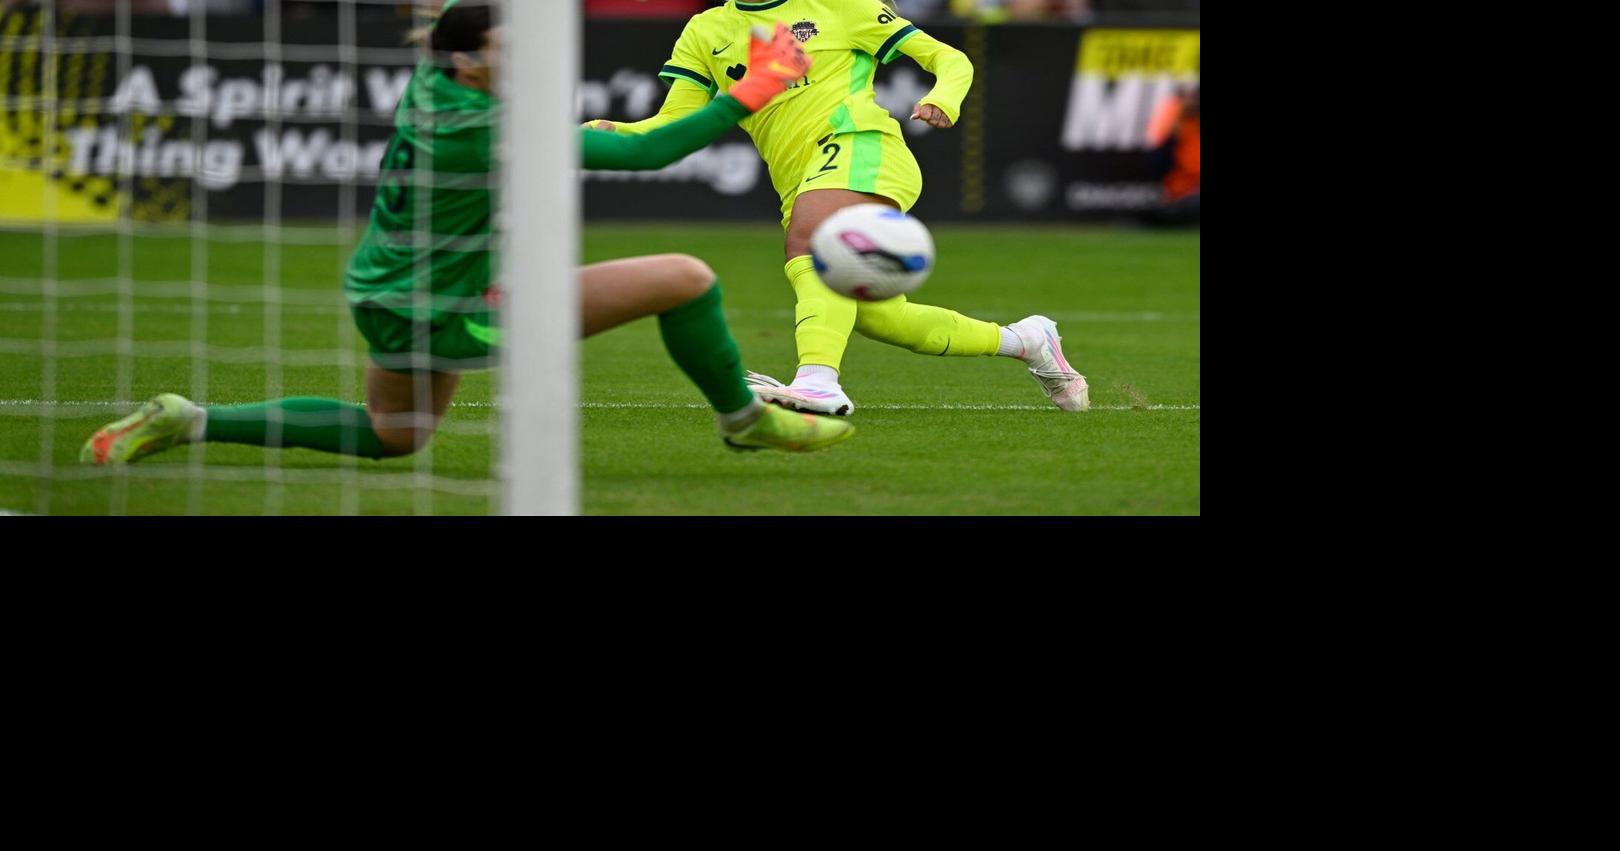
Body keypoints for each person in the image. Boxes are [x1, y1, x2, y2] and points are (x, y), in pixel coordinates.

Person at [81, 2, 851, 467]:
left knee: (394, 435)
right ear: (469, 60)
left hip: (389, 289)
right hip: (450, 305)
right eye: (511, 46)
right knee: (685, 278)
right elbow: (651, 151)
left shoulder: (435, 76)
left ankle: (189, 418)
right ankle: (744, 419)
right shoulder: (488, 127)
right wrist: (757, 86)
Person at [587, 0, 1088, 416]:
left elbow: (949, 58)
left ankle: (818, 382)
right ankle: (1027, 341)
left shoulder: (839, 5)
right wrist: (613, 132)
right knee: (879, 317)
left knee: (812, 241)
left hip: (862, 145)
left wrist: (945, 98)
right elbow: (674, 122)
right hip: (799, 179)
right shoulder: (705, 28)